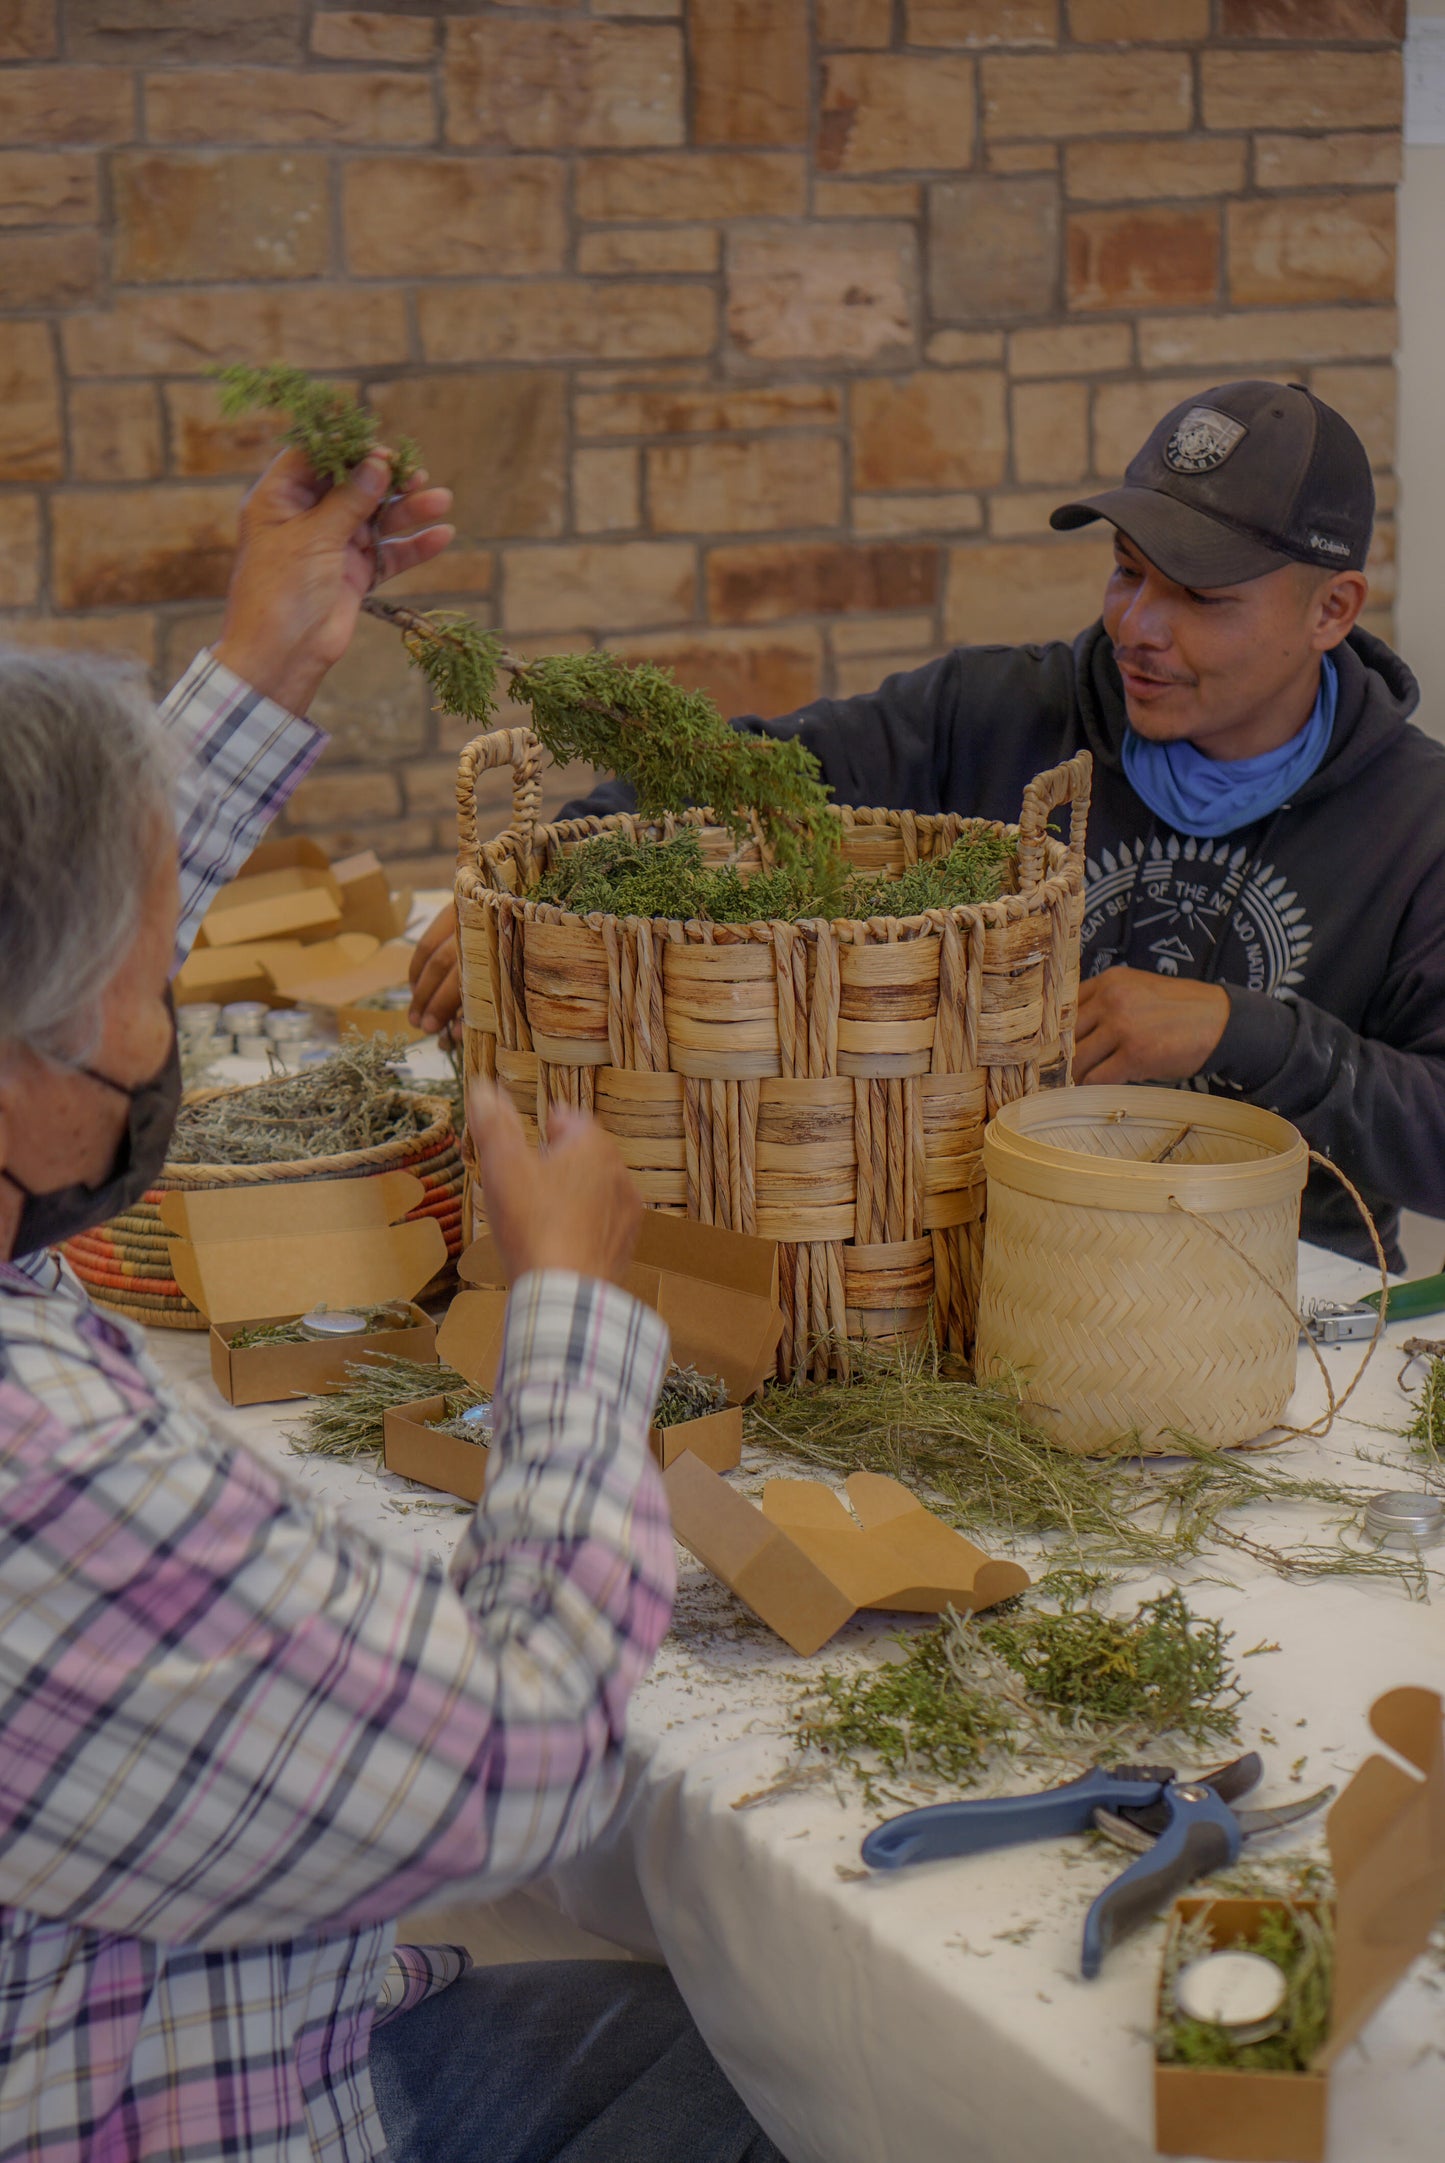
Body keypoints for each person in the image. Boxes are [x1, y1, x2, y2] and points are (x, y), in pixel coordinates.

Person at [0, 448, 783, 2161]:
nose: (161, 1046)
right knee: (799, 2077)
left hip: (258, 1988)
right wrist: (572, 1312)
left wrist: (272, 655)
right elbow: (521, 1760)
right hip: (183, 2104)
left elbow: (57, 908)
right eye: (147, 999)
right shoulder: (42, 1479)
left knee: (720, 2044)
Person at [411, 378, 1445, 1267]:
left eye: (1199, 598)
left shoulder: (1419, 826)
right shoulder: (989, 716)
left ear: (1330, 610)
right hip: (976, 1274)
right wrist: (530, 900)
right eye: (1127, 571)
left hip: (1290, 1304)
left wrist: (1247, 1034)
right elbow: (734, 781)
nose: (1137, 626)